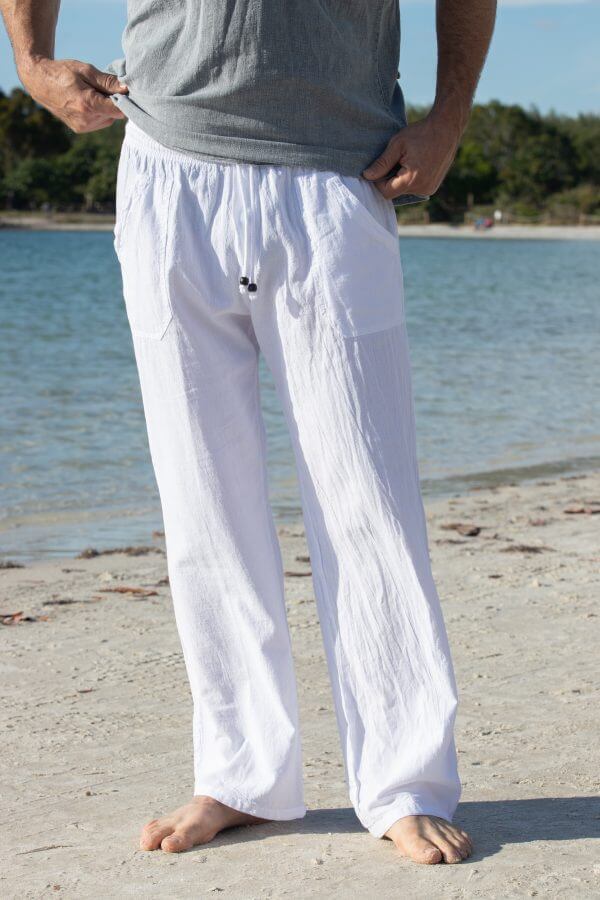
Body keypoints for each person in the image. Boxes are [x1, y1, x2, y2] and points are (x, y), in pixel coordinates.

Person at [1, 0, 495, 866]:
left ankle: (406, 780)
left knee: (369, 500)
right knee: (205, 503)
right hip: (168, 163)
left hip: (339, 172)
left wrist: (449, 118)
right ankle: (239, 776)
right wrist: (32, 60)